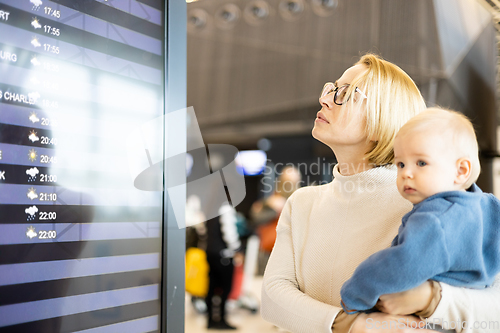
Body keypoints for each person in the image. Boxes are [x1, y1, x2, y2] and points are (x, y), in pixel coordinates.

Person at [260, 54, 500, 333]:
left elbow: (494, 310)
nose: (324, 100)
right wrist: (355, 324)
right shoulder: (302, 203)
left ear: (381, 116)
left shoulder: (429, 205)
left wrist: (430, 298)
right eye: (331, 89)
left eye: (345, 94)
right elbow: (273, 297)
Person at [340, 108, 500, 314]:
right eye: (400, 164)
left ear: (461, 171)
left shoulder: (433, 220)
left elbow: (395, 266)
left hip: (424, 318)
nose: (406, 173)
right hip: (464, 312)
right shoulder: (489, 205)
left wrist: (353, 296)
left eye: (421, 163)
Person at [250, 166, 301, 274]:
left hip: (294, 251)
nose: (289, 186)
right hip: (269, 250)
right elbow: (255, 217)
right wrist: (271, 207)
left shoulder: (301, 200)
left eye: (292, 182)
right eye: (286, 182)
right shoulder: (271, 201)